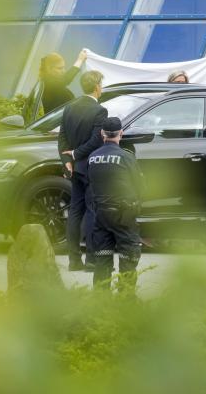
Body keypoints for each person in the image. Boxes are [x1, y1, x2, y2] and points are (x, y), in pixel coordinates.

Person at [58, 70, 108, 271]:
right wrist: (76, 154)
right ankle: (91, 261)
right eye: (102, 85)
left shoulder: (69, 108)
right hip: (90, 167)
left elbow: (61, 137)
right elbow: (96, 140)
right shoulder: (100, 111)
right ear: (97, 87)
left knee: (75, 212)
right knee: (91, 211)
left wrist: (66, 159)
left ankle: (73, 261)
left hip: (73, 169)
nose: (102, 88)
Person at [87, 117, 143, 290]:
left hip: (101, 215)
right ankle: (125, 301)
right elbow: (140, 185)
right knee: (128, 258)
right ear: (121, 133)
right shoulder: (126, 157)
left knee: (102, 258)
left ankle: (101, 301)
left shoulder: (92, 157)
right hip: (123, 215)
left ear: (102, 133)